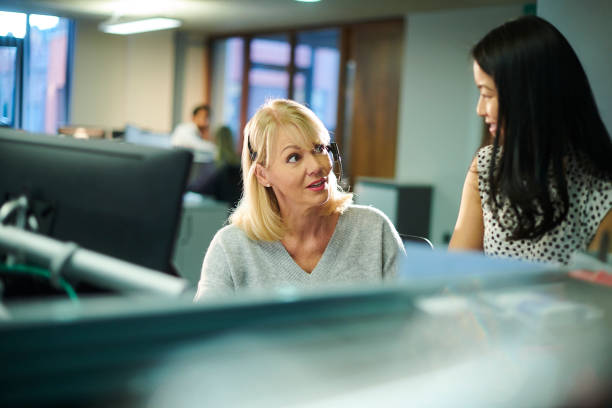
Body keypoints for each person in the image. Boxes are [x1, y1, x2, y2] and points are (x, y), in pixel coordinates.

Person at [194, 99, 404, 298]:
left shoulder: (374, 230)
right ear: (263, 175)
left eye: (319, 149)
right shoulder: (231, 248)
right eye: (294, 157)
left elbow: (417, 321)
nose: (317, 166)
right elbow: (201, 333)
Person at [449, 16, 612, 265]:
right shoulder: (486, 167)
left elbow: (593, 293)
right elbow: (456, 271)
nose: (480, 109)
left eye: (487, 94)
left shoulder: (601, 190)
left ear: (528, 98)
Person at [187, 125, 242, 209]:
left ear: (215, 139)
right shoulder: (241, 163)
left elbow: (201, 187)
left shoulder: (215, 165)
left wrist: (184, 185)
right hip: (237, 210)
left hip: (218, 211)